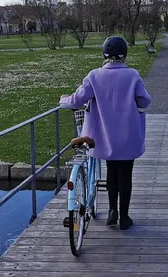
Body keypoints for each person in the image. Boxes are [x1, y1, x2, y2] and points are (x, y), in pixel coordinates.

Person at [59, 36, 152, 230]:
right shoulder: (133, 75)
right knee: (126, 174)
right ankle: (125, 217)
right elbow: (144, 101)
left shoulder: (94, 76)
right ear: (124, 55)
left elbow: (77, 100)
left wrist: (63, 100)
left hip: (103, 136)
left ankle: (112, 211)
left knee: (111, 171)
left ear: (104, 54)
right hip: (129, 136)